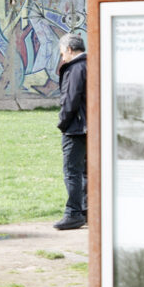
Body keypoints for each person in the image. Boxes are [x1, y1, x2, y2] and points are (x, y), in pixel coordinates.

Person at [55, 32, 87, 230]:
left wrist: (62, 123)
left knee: (71, 171)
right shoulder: (92, 64)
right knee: (86, 171)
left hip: (76, 128)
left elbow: (70, 99)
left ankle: (73, 213)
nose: (62, 58)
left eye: (62, 53)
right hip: (90, 127)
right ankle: (87, 211)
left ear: (69, 49)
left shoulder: (75, 68)